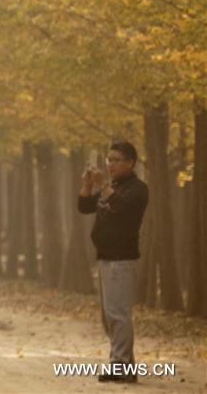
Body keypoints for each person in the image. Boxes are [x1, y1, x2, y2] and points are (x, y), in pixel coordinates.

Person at [77, 141, 149, 383]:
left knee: (118, 314)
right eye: (109, 159)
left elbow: (122, 207)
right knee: (109, 316)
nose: (111, 164)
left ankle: (121, 364)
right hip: (105, 257)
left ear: (131, 162)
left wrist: (104, 185)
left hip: (122, 258)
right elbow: (84, 206)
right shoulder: (114, 186)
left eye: (117, 159)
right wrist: (87, 185)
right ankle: (122, 363)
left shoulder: (137, 188)